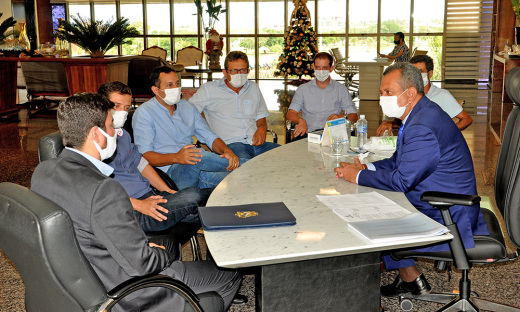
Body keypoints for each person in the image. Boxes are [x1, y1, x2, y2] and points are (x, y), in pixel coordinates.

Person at [31, 93, 241, 311]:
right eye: (110, 126)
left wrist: (143, 248)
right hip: (130, 290)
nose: (114, 133)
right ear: (96, 134)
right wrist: (160, 254)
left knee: (170, 240)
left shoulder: (43, 171)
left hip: (86, 274)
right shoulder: (104, 190)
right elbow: (143, 264)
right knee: (229, 276)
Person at [334, 63, 489, 297]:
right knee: (377, 201)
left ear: (410, 93)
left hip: (448, 211)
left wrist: (356, 176)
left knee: (372, 214)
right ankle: (410, 277)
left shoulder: (423, 125)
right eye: (381, 92)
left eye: (388, 92)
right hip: (439, 197)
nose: (382, 97)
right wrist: (367, 167)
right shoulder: (420, 113)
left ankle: (366, 294)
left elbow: (402, 181)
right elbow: (399, 160)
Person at [98, 81, 209, 232]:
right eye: (116, 106)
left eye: (126, 107)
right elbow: (97, 194)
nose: (122, 112)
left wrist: (167, 191)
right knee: (196, 195)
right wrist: (139, 205)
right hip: (131, 211)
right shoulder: (94, 142)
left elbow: (141, 164)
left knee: (207, 214)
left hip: (151, 197)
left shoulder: (123, 134)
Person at [132, 66, 246, 190]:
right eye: (169, 85)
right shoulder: (144, 113)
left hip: (197, 168)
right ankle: (248, 163)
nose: (175, 88)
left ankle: (248, 168)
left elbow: (209, 136)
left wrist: (226, 151)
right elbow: (145, 156)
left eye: (177, 84)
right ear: (156, 90)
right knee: (196, 155)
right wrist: (177, 157)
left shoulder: (187, 107)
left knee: (238, 178)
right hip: (169, 172)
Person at [189, 51, 280, 160]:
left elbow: (261, 116)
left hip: (257, 144)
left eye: (242, 70)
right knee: (246, 167)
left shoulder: (253, 88)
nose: (239, 74)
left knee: (288, 157)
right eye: (234, 71)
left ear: (248, 71)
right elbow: (188, 111)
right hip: (231, 145)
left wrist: (261, 128)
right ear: (225, 72)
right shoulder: (209, 90)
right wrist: (207, 137)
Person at [376, 54, 472, 135]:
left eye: (420, 71)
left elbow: (466, 119)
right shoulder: (409, 95)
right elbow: (405, 120)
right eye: (414, 71)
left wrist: (445, 132)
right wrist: (391, 123)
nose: (416, 75)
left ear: (430, 74)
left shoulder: (442, 95)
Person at [286, 52, 358, 140]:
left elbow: (354, 116)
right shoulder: (303, 89)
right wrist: (300, 120)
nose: (320, 71)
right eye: (317, 67)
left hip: (333, 135)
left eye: (324, 68)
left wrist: (341, 117)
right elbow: (290, 114)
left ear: (331, 68)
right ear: (313, 67)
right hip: (308, 133)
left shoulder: (340, 89)